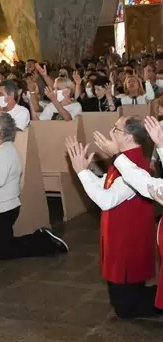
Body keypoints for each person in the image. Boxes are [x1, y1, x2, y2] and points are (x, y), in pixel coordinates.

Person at [66, 118, 157, 319]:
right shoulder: (124, 160)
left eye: (116, 129)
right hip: (118, 236)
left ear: (128, 136)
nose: (111, 131)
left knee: (126, 308)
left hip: (127, 241)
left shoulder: (134, 164)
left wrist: (82, 172)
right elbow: (106, 185)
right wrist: (84, 171)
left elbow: (106, 200)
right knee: (124, 298)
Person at [0, 112, 67, 259]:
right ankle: (40, 239)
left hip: (1, 208)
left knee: (4, 251)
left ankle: (44, 241)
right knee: (0, 248)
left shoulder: (6, 151)